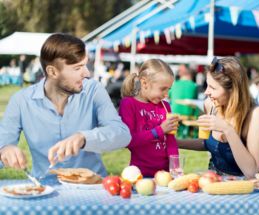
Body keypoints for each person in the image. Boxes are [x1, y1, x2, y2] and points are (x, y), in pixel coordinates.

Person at [0, 33, 131, 178]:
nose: (86, 73)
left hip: (92, 188)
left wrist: (84, 138)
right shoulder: (21, 101)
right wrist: (5, 150)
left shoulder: (93, 90)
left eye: (85, 65)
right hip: (44, 189)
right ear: (52, 72)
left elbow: (122, 135)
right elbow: (3, 143)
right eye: (77, 68)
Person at [178, 57, 259, 178]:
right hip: (213, 180)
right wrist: (177, 143)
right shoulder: (210, 104)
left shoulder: (255, 115)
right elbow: (208, 143)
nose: (206, 92)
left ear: (233, 90)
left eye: (213, 88)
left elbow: (251, 171)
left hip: (243, 187)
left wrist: (228, 130)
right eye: (207, 85)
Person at [119, 59, 179, 177]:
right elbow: (128, 141)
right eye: (163, 89)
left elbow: (171, 142)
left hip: (165, 175)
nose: (166, 94)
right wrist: (160, 130)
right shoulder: (128, 104)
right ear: (144, 83)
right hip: (140, 174)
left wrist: (175, 168)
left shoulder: (165, 106)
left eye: (169, 89)